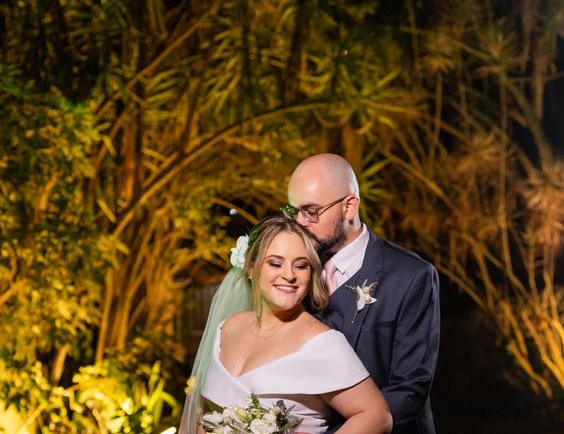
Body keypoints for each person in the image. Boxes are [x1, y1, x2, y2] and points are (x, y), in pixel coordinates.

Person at [179, 216, 392, 434]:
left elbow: (377, 416)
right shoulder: (227, 327)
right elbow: (205, 416)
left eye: (301, 266)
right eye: (275, 263)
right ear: (251, 268)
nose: (289, 275)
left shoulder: (322, 343)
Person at [282, 153, 440, 434]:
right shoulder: (293, 274)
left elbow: (410, 388)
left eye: (311, 211)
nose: (299, 223)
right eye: (292, 211)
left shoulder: (410, 276)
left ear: (349, 207)